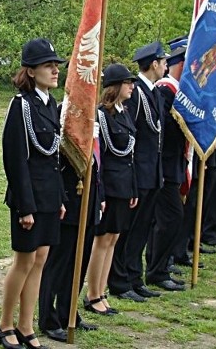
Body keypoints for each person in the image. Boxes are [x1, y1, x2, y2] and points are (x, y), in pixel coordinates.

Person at [0, 38, 66, 349]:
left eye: (56, 65)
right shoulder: (20, 106)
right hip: (29, 198)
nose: (55, 70)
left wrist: (61, 198)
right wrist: (26, 206)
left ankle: (26, 325)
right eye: (49, 65)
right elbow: (15, 159)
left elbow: (55, 159)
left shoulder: (50, 104)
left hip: (50, 196)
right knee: (23, 261)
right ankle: (5, 324)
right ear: (31, 70)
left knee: (40, 260)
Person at [108, 42, 167, 302]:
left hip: (151, 171)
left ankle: (134, 276)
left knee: (141, 229)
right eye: (163, 62)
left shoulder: (152, 92)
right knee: (128, 231)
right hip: (138, 172)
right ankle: (120, 280)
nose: (165, 66)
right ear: (153, 64)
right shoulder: (137, 92)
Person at [38, 109, 103, 342]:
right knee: (58, 263)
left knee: (80, 262)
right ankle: (48, 316)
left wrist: (100, 195)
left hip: (90, 198)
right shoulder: (66, 110)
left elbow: (96, 161)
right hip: (71, 198)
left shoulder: (91, 111)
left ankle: (69, 312)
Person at [84, 64, 138, 315]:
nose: (131, 87)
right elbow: (100, 158)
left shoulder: (123, 113)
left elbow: (130, 155)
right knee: (102, 239)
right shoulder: (102, 116)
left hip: (124, 185)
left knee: (113, 239)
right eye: (128, 82)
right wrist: (101, 193)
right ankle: (92, 293)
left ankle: (102, 290)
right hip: (110, 186)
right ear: (115, 86)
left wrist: (133, 188)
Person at [145, 37, 188, 291]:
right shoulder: (165, 89)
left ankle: (162, 264)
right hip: (166, 163)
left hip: (175, 164)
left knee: (170, 217)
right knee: (170, 216)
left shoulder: (176, 89)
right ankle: (156, 269)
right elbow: (164, 128)